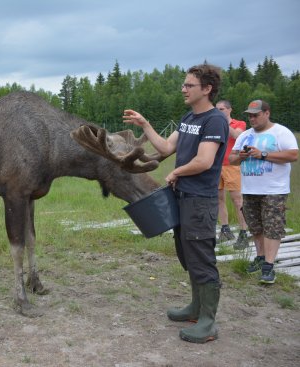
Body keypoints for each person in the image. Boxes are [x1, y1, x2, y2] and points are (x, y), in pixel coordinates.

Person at [123, 64, 228, 344]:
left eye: (189, 85)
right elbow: (166, 149)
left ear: (206, 89)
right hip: (182, 198)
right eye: (184, 84)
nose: (183, 88)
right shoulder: (188, 118)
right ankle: (195, 308)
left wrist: (176, 172)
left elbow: (205, 161)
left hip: (200, 200)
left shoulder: (214, 121)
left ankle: (208, 321)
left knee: (202, 257)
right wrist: (145, 124)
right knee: (188, 254)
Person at [228, 100, 298, 284]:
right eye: (249, 115)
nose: (252, 118)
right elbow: (232, 159)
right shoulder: (244, 135)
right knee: (255, 226)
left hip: (274, 189)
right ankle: (260, 257)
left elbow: (293, 155)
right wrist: (240, 157)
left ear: (267, 113)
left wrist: (264, 154)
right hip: (250, 188)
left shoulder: (281, 132)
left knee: (272, 227)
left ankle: (269, 266)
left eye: (255, 114)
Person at [215, 100, 249, 249]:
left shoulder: (239, 123)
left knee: (237, 200)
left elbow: (237, 136)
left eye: (221, 109)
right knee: (218, 199)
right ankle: (225, 229)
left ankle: (243, 233)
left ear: (229, 110)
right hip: (216, 166)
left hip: (232, 166)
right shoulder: (214, 123)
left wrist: (223, 122)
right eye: (216, 110)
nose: (218, 111)